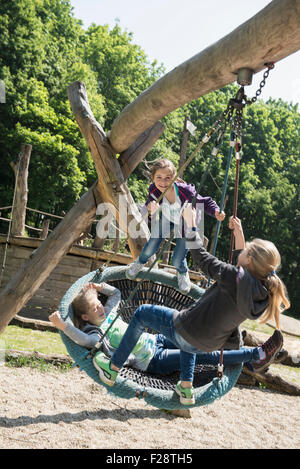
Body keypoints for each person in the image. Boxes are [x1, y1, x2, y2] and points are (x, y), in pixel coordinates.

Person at [93, 208, 290, 405]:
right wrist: (239, 236)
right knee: (189, 329)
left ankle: (113, 368)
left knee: (142, 313)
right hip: (207, 344)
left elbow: (202, 258)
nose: (242, 251)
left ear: (249, 260)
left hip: (187, 330)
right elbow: (243, 273)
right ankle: (186, 387)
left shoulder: (234, 278)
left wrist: (191, 226)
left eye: (246, 250)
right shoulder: (261, 293)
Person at [49, 281, 284, 403]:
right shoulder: (96, 334)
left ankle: (250, 356)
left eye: (99, 303)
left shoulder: (109, 312)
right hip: (154, 361)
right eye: (94, 308)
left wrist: (101, 288)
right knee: (202, 355)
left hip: (158, 339)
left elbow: (117, 295)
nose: (100, 306)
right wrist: (64, 327)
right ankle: (255, 355)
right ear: (85, 317)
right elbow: (82, 339)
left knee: (196, 339)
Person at [126, 158, 225, 294]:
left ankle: (183, 273)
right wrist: (150, 211)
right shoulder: (154, 189)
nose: (163, 182)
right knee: (151, 245)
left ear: (173, 178)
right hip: (168, 217)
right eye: (159, 177)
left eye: (167, 178)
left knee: (177, 259)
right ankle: (139, 263)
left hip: (186, 220)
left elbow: (205, 201)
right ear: (153, 178)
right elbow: (149, 209)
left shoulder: (185, 192)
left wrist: (216, 211)